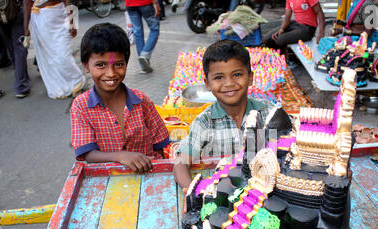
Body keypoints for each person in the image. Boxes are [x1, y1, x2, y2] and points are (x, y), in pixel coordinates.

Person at [173, 39, 274, 195]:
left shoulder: (267, 113)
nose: (229, 83)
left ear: (251, 77)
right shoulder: (204, 123)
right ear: (207, 84)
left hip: (264, 193)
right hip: (220, 198)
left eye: (237, 74)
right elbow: (181, 162)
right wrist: (191, 192)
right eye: (219, 77)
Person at [70, 23, 170, 173]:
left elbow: (160, 144)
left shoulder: (142, 101)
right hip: (108, 179)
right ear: (86, 66)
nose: (111, 73)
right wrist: (121, 156)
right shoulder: (81, 106)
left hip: (148, 176)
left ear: (126, 63)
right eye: (100, 65)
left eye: (118, 64)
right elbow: (89, 154)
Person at [22, 0, 85, 99]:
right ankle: (60, 86)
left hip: (60, 16)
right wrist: (25, 27)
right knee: (49, 58)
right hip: (40, 21)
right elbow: (27, 3)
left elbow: (67, 1)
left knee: (63, 56)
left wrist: (72, 22)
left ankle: (77, 82)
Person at [0, 0, 31, 98]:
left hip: (1, 15)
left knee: (12, 48)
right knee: (19, 48)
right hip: (15, 11)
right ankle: (21, 86)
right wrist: (26, 26)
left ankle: (21, 77)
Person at [125, 0, 161, 73]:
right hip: (145, 3)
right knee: (154, 29)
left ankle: (143, 66)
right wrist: (156, 3)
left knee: (138, 33)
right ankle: (145, 55)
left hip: (130, 4)